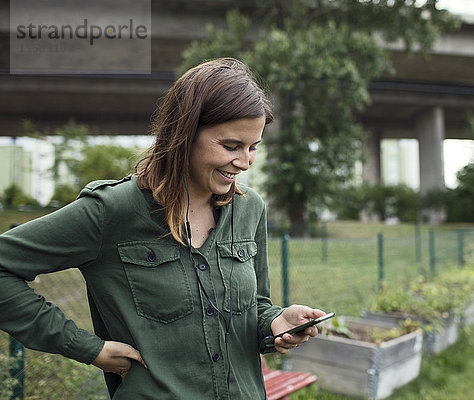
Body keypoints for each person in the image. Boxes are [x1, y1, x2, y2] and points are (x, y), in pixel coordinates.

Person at [0, 58, 326, 399]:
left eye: (253, 147)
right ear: (184, 133)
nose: (245, 162)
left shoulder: (250, 209)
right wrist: (87, 348)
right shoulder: (114, 210)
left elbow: (254, 309)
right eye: (231, 146)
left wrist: (276, 323)